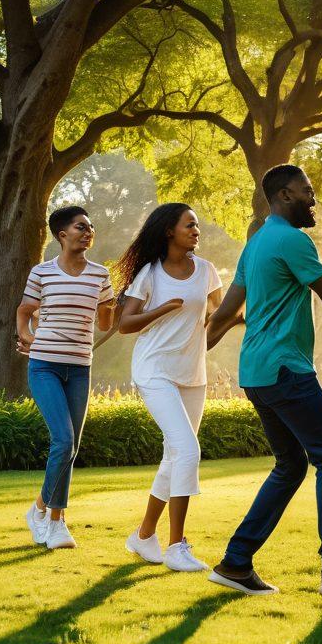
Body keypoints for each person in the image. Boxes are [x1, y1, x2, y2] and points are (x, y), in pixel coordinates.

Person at [205, 164, 322, 595]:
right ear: (285, 195)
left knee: (291, 465)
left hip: (256, 373)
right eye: (307, 191)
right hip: (285, 369)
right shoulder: (293, 240)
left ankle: (236, 563)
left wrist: (198, 344)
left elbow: (226, 310)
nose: (314, 200)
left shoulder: (257, 244)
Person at [114, 204, 223, 572]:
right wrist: (164, 309)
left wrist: (244, 318)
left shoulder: (206, 270)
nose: (196, 230)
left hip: (192, 373)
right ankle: (177, 546)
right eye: (189, 224)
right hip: (154, 369)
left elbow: (217, 317)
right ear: (168, 231)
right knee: (188, 451)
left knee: (174, 456)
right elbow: (126, 324)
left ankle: (144, 535)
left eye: (197, 225)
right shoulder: (150, 273)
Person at [17, 206, 116, 550]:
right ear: (62, 235)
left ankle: (42, 510)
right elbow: (25, 311)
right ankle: (55, 522)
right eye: (80, 227)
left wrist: (110, 306)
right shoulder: (42, 272)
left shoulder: (100, 274)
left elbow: (105, 323)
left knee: (70, 447)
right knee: (63, 440)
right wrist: (26, 336)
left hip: (79, 368)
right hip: (44, 365)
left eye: (90, 227)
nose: (88, 232)